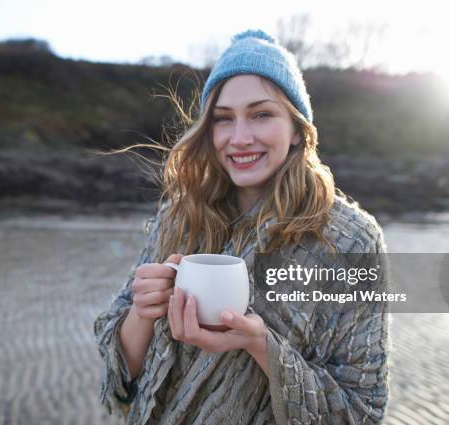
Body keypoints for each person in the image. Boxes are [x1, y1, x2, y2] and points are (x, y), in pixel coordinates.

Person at [94, 29, 389, 425]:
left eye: (261, 114)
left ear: (298, 129)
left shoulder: (351, 239)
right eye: (223, 119)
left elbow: (361, 411)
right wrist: (142, 313)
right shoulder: (179, 216)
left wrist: (260, 345)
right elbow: (120, 371)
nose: (239, 138)